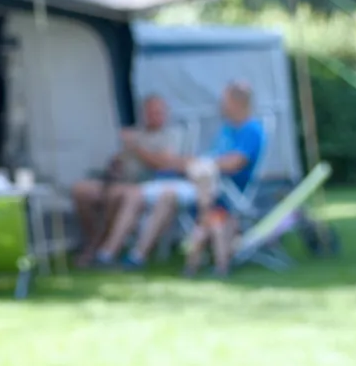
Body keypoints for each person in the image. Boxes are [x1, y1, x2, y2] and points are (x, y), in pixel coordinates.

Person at [85, 95, 186, 267]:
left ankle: (108, 252)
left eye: (159, 112)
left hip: (148, 183)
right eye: (151, 112)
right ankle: (93, 244)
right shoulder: (136, 133)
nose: (155, 116)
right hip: (121, 182)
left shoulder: (171, 135)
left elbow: (165, 163)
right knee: (83, 192)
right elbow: (117, 162)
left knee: (131, 196)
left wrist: (137, 148)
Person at [182, 81, 265, 278]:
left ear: (238, 103)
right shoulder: (227, 128)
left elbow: (235, 163)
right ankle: (215, 264)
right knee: (212, 217)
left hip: (231, 189)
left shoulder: (251, 130)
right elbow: (217, 157)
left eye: (225, 101)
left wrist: (206, 164)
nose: (221, 106)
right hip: (213, 188)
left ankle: (201, 263)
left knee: (209, 216)